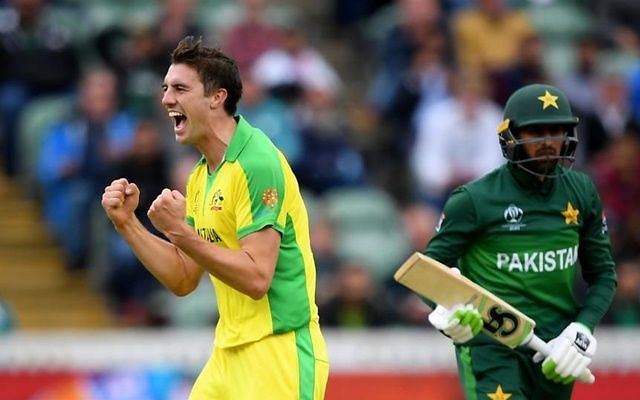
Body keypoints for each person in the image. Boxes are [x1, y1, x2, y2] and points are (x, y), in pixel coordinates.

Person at [101, 36, 329, 399]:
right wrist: (128, 224)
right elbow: (184, 278)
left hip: (278, 352)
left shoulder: (257, 164)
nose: (166, 99)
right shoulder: (201, 175)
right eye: (164, 89)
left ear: (216, 97)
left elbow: (257, 278)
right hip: (228, 352)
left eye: (179, 88)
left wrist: (181, 233)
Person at [421, 83, 617, 399]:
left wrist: (581, 330)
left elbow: (604, 275)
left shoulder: (582, 192)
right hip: (492, 345)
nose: (548, 143)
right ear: (510, 137)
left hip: (555, 349)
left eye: (556, 132)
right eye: (535, 133)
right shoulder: (474, 200)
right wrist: (447, 311)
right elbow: (429, 272)